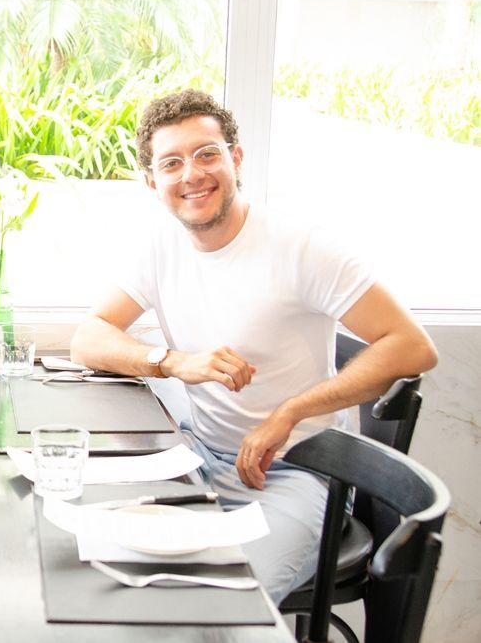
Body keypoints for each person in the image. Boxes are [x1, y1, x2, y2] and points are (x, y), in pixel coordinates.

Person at [69, 89, 438, 603]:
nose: (192, 174)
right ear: (153, 182)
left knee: (220, 606)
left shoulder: (302, 247)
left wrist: (291, 410)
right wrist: (173, 362)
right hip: (197, 459)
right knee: (95, 567)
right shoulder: (162, 247)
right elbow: (88, 337)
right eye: (172, 163)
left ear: (235, 158)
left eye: (206, 154)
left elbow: (412, 347)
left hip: (296, 474)